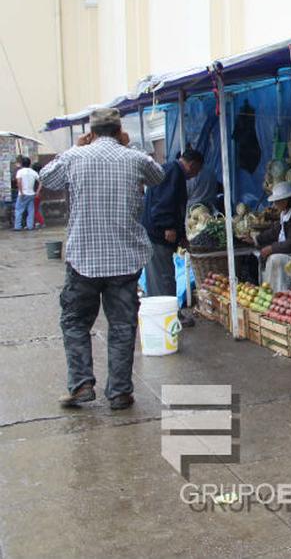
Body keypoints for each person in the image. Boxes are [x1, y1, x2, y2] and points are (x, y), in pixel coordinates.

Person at [39, 107, 166, 410]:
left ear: (91, 132)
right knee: (122, 326)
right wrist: (127, 146)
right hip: (124, 260)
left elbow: (47, 177)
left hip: (83, 258)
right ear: (120, 130)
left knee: (74, 322)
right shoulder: (134, 158)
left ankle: (81, 384)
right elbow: (158, 175)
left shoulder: (75, 157)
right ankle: (120, 391)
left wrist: (78, 147)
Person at [142, 148, 204, 324]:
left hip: (156, 234)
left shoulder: (169, 170)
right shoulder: (173, 172)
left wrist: (181, 235)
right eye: (197, 171)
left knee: (159, 277)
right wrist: (168, 227)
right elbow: (164, 202)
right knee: (163, 278)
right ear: (192, 165)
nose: (194, 176)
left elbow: (175, 208)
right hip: (158, 235)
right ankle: (169, 317)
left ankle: (162, 315)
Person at [254, 182, 291, 292]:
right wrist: (257, 239)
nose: (274, 205)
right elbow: (275, 231)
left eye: (276, 202)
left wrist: (271, 248)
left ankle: (279, 293)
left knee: (275, 259)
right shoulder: (286, 213)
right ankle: (269, 291)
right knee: (265, 257)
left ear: (285, 200)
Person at [14, 157, 38, 231]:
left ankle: (17, 227)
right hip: (31, 194)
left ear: (21, 164)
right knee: (31, 210)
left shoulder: (20, 172)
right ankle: (30, 226)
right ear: (29, 164)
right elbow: (41, 181)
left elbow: (19, 182)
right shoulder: (33, 172)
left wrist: (21, 192)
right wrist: (37, 192)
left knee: (19, 210)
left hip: (23, 194)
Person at [31, 162, 45, 228]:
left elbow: (39, 184)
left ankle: (40, 222)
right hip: (39, 193)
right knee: (38, 208)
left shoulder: (35, 175)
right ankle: (38, 222)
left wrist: (37, 192)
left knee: (36, 209)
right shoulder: (40, 174)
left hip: (35, 193)